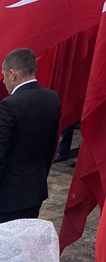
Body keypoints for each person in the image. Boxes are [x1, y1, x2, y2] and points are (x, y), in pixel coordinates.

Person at [0, 48, 61, 222]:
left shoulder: (8, 106)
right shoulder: (52, 98)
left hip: (8, 195)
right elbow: (51, 145)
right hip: (35, 189)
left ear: (13, 74)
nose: (3, 81)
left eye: (4, 76)